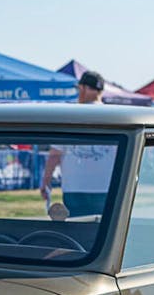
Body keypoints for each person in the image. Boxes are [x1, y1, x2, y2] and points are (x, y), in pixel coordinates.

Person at [37, 70, 109, 214]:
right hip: (106, 187)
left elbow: (55, 155)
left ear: (84, 88)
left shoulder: (70, 115)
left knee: (76, 226)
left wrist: (46, 182)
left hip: (75, 187)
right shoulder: (114, 116)